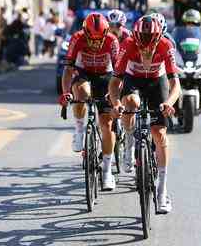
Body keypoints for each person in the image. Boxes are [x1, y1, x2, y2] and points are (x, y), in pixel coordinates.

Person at [108, 15, 181, 213]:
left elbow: (176, 85)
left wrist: (168, 102)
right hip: (134, 80)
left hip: (158, 82)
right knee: (130, 103)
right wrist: (116, 104)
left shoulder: (166, 45)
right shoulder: (128, 44)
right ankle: (130, 142)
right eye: (142, 46)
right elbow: (114, 83)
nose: (146, 50)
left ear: (158, 39)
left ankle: (162, 190)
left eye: (150, 46)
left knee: (159, 133)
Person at [59, 13, 119, 190]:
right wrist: (65, 93)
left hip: (105, 76)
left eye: (98, 39)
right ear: (84, 32)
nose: (94, 43)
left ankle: (107, 171)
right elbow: (68, 70)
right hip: (83, 72)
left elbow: (119, 74)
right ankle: (79, 129)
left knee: (106, 125)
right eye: (90, 39)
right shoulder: (76, 38)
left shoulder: (112, 41)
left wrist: (114, 96)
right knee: (82, 91)